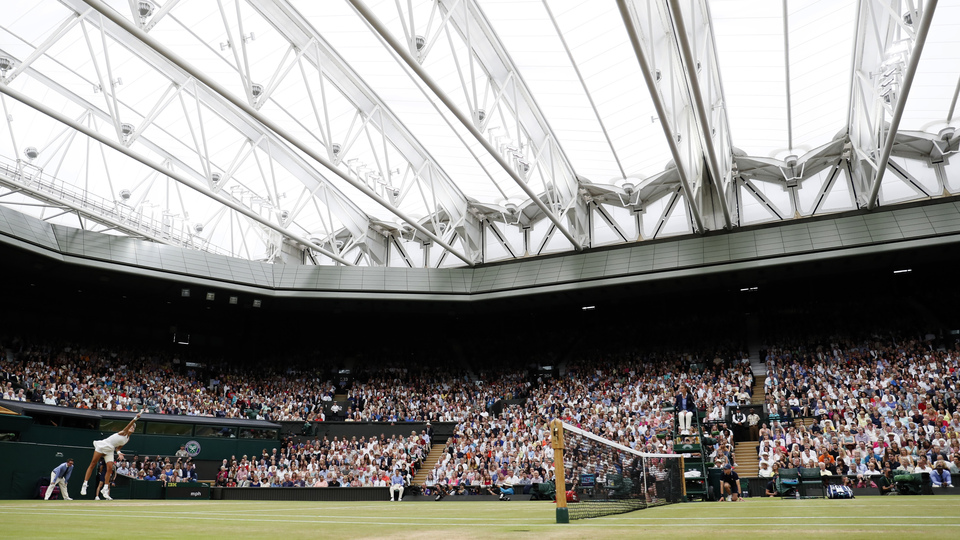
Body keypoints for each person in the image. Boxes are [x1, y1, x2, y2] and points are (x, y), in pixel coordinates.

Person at [81, 410, 142, 499]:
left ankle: (105, 489)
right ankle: (85, 484)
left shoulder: (127, 439)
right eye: (131, 427)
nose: (132, 428)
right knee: (93, 464)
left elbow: (118, 448)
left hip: (110, 450)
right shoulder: (123, 432)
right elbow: (129, 424)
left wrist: (119, 453)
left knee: (110, 468)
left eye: (134, 427)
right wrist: (136, 418)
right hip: (103, 445)